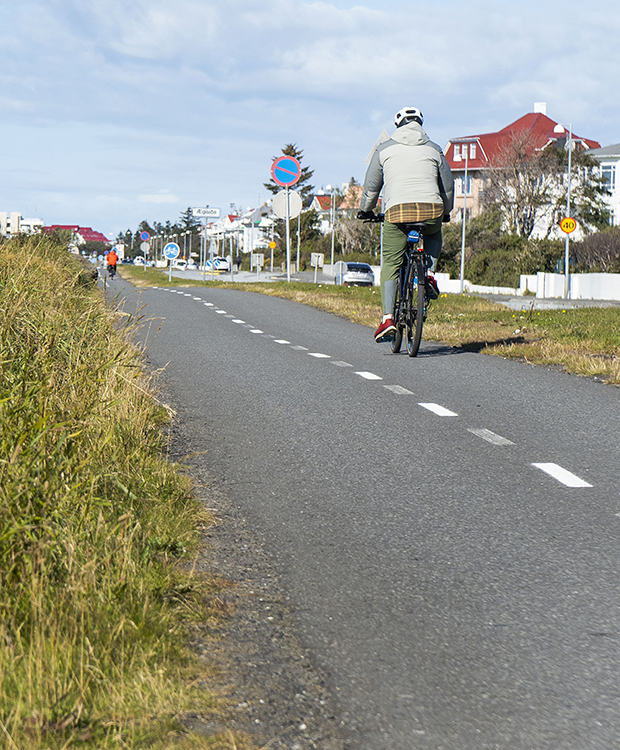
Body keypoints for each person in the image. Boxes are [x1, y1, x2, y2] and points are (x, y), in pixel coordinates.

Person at [358, 106, 454, 342]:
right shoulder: (434, 149)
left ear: (397, 126)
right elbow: (448, 186)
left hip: (397, 212)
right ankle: (428, 274)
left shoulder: (384, 149)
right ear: (420, 124)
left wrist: (366, 210)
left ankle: (388, 318)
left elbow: (371, 188)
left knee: (391, 261)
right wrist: (446, 212)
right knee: (433, 234)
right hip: (431, 210)